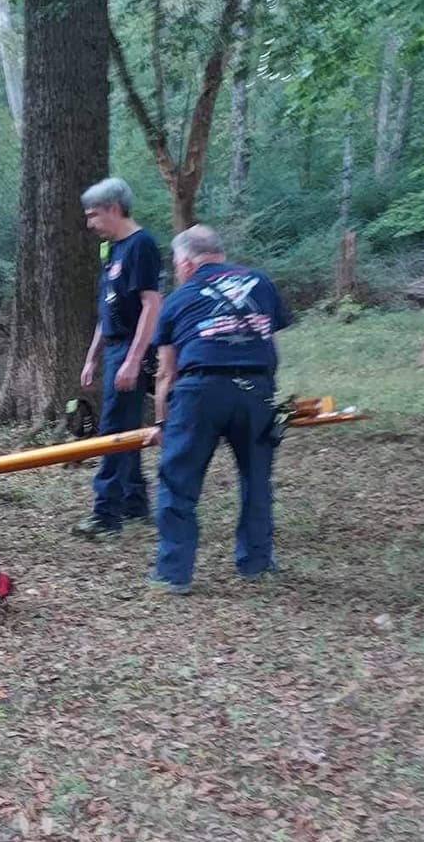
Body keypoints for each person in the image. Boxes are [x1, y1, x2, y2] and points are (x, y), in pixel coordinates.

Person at [145, 225, 292, 593]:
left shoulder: (179, 299)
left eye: (177, 263)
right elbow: (271, 344)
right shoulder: (260, 283)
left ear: (186, 262)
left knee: (178, 482)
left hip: (199, 392)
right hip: (256, 389)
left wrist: (162, 422)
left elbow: (166, 371)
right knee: (256, 478)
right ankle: (257, 561)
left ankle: (174, 574)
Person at [74, 178, 163, 538]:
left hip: (130, 347)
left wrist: (133, 358)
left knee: (113, 430)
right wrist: (92, 357)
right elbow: (107, 309)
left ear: (114, 209)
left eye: (93, 215)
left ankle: (106, 517)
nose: (89, 223)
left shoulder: (141, 245)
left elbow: (151, 305)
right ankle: (133, 502)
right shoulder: (114, 250)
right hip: (113, 346)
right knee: (126, 428)